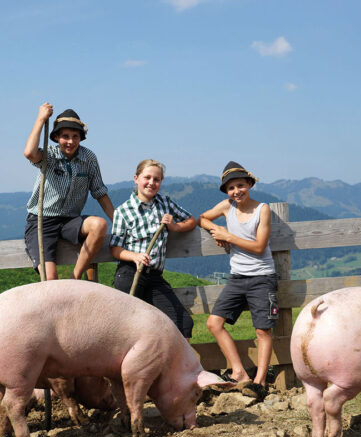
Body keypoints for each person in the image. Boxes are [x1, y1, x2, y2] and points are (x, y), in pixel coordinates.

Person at [198, 161, 279, 387]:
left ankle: (260, 382)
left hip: (262, 277)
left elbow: (259, 247)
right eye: (231, 188)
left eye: (240, 185)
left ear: (250, 184)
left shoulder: (262, 209)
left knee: (263, 330)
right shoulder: (227, 206)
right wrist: (217, 231)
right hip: (237, 277)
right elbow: (202, 218)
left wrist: (228, 237)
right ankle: (239, 372)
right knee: (214, 323)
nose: (236, 192)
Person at [23, 102, 114, 280]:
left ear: (81, 138)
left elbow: (100, 193)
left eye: (75, 136)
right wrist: (41, 119)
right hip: (42, 221)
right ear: (56, 137)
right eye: (65, 136)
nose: (70, 141)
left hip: (71, 220)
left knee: (100, 225)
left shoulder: (89, 158)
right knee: (50, 280)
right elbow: (29, 153)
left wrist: (118, 223)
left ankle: (75, 278)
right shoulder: (49, 154)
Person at [110, 159, 197, 337]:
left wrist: (174, 227)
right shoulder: (123, 211)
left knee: (183, 324)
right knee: (130, 329)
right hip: (130, 273)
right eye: (147, 177)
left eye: (156, 179)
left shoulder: (164, 202)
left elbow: (191, 221)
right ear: (136, 178)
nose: (151, 182)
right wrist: (135, 256)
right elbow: (115, 249)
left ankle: (176, 365)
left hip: (155, 276)